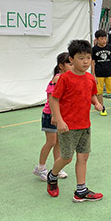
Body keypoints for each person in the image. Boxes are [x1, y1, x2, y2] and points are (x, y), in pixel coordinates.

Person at [47, 39, 104, 202]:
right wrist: (59, 120)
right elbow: (54, 99)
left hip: (85, 125)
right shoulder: (65, 78)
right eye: (81, 58)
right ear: (71, 59)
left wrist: (96, 103)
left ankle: (81, 191)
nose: (86, 61)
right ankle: (52, 175)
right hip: (68, 126)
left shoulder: (90, 78)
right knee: (67, 157)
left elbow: (91, 94)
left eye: (88, 58)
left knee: (83, 156)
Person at [33, 53, 71, 181]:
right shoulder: (58, 78)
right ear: (61, 66)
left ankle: (57, 168)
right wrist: (54, 116)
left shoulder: (66, 78)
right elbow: (52, 98)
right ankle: (40, 168)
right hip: (50, 115)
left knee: (58, 142)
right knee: (51, 142)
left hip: (60, 115)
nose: (72, 66)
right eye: (69, 64)